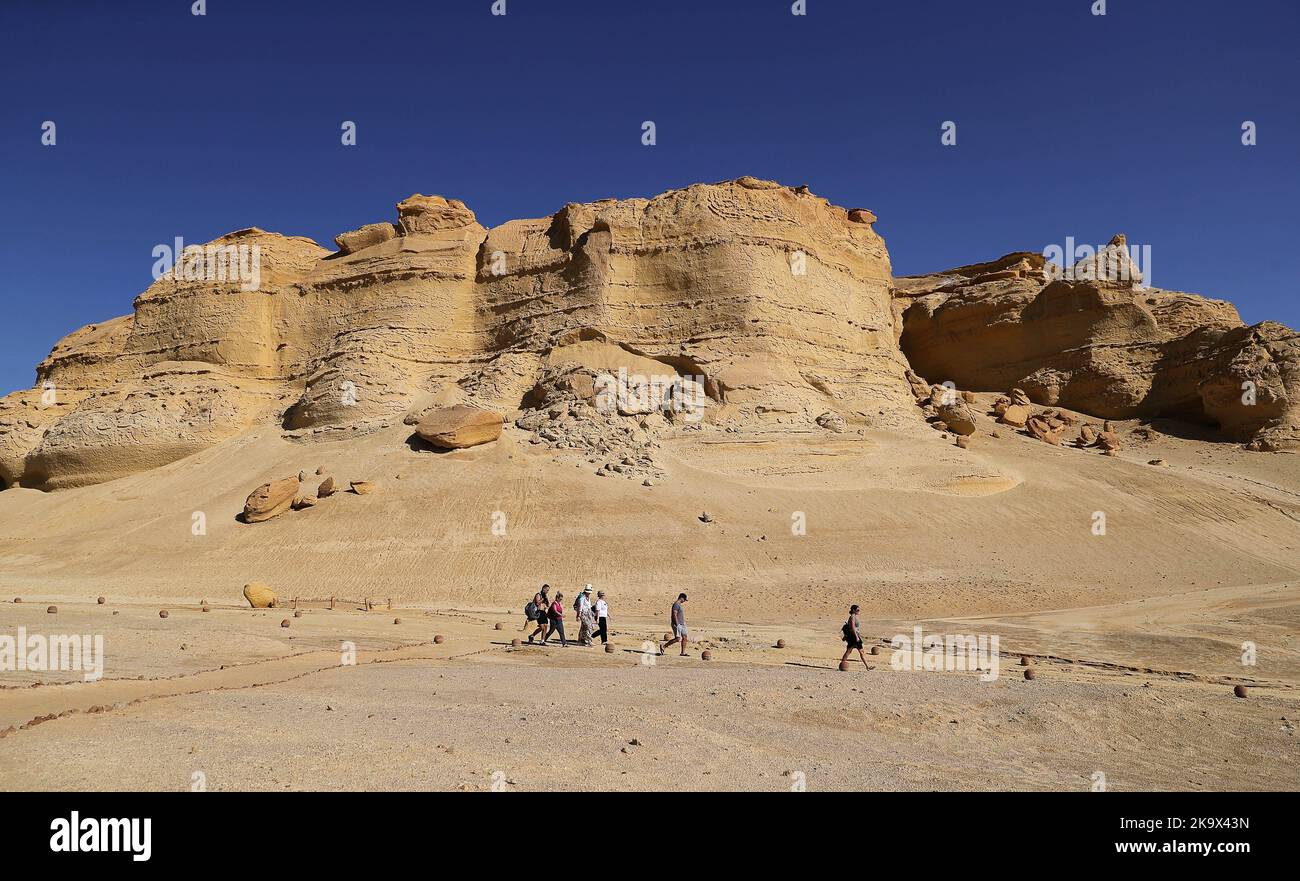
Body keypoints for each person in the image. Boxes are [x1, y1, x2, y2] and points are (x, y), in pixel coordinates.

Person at [839, 604, 869, 669]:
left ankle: (867, 666)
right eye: (857, 610)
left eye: (859, 610)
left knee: (850, 651)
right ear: (853, 610)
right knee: (852, 651)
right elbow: (852, 627)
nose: (859, 611)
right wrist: (857, 637)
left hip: (854, 636)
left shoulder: (854, 616)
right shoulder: (852, 617)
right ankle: (843, 664)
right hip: (853, 636)